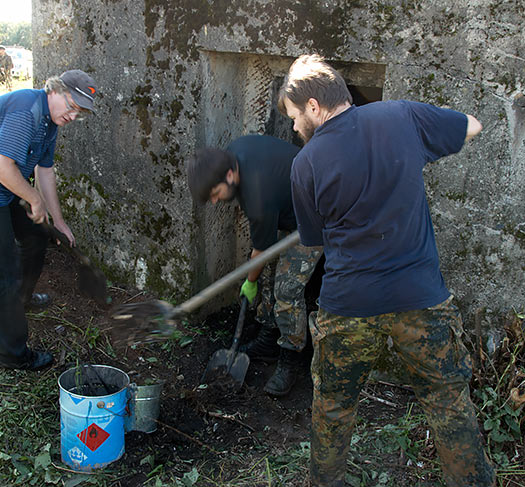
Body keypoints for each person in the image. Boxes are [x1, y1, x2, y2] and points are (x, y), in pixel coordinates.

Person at [278, 54, 495, 486]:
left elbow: (316, 238)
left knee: (334, 406)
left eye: (294, 116)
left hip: (349, 306)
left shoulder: (305, 164)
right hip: (420, 300)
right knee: (447, 399)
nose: (295, 127)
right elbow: (472, 125)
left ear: (315, 107)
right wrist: (414, 151)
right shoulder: (402, 116)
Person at [0, 70, 98, 371]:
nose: (72, 114)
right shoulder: (26, 111)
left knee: (37, 235)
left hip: (5, 185)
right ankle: (11, 353)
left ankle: (22, 298)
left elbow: (44, 171)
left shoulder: (50, 122)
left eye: (79, 111)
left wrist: (58, 220)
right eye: (71, 104)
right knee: (4, 269)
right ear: (54, 89)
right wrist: (35, 199)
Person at [187, 135, 322, 396]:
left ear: (230, 175)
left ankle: (290, 358)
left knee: (287, 289)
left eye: (215, 194)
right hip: (290, 205)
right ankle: (269, 338)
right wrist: (257, 276)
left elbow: (260, 253)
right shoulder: (233, 152)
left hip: (315, 218)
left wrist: (250, 282)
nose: (215, 201)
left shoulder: (257, 196)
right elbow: (265, 253)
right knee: (270, 275)